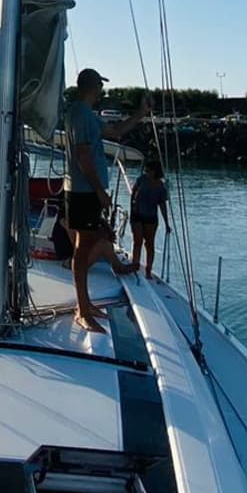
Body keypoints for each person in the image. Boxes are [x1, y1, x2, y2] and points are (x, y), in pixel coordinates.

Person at [64, 69, 146, 332]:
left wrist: (141, 113)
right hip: (84, 191)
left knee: (86, 244)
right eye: (100, 85)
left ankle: (85, 305)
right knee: (83, 248)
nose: (102, 90)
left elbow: (116, 131)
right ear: (93, 86)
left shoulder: (85, 115)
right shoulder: (80, 115)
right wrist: (100, 190)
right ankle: (82, 309)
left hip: (84, 191)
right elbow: (83, 156)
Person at [130, 157, 171, 280]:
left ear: (154, 171)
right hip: (137, 214)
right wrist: (132, 208)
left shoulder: (161, 187)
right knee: (137, 241)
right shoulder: (141, 180)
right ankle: (135, 265)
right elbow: (133, 193)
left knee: (149, 244)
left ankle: (148, 270)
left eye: (148, 170)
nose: (146, 172)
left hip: (151, 217)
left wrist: (167, 223)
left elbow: (162, 205)